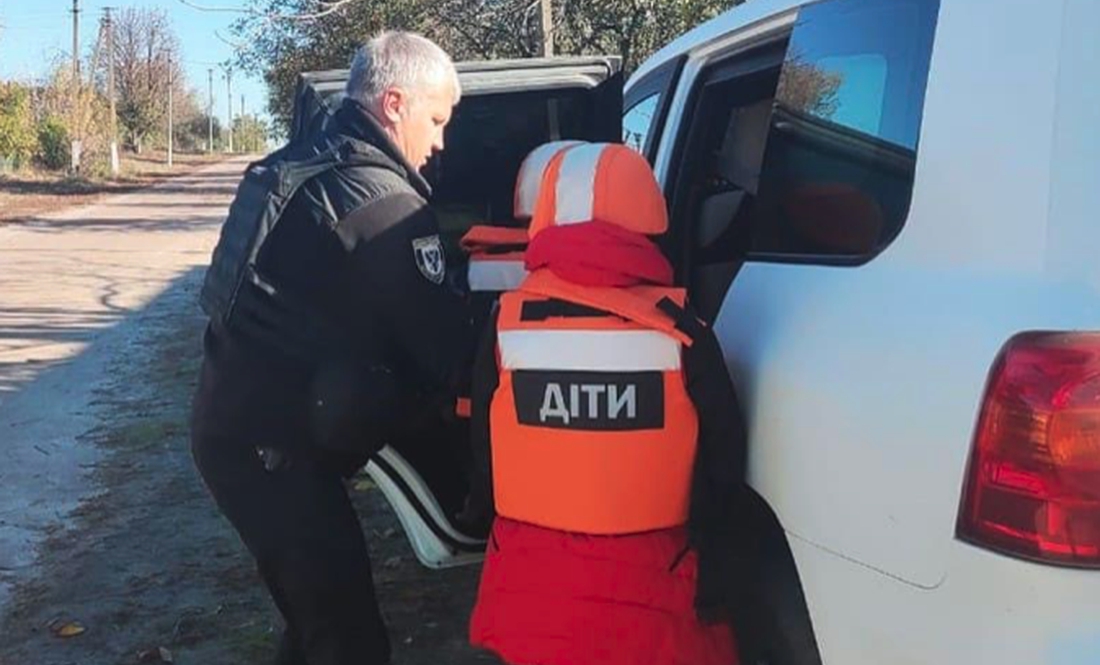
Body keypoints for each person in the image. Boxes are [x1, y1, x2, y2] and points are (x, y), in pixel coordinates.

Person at [190, 31, 471, 665]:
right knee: (347, 639)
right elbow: (449, 353)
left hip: (239, 426)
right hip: (271, 448)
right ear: (394, 104)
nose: (441, 143)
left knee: (316, 619)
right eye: (436, 120)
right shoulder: (380, 202)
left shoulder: (303, 164)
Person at [466, 143, 751, 665]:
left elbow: (484, 454)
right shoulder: (684, 332)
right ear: (647, 217)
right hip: (655, 597)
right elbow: (724, 468)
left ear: (546, 215)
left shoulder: (504, 325)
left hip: (530, 593)